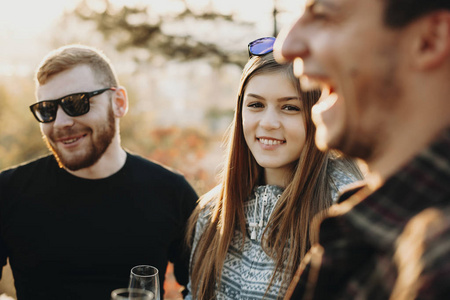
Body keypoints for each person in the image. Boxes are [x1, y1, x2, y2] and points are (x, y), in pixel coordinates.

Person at [274, 0, 450, 299]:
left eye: (323, 14)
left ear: (429, 41)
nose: (286, 47)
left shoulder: (438, 262)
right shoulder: (376, 232)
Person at [0, 45, 198, 300]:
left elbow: (206, 288)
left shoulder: (173, 193)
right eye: (47, 110)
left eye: (76, 103)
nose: (60, 122)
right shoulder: (8, 191)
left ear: (119, 103)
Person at [185, 37, 363, 300]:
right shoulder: (213, 212)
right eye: (256, 105)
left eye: (289, 108)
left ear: (316, 114)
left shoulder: (345, 210)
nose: (268, 123)